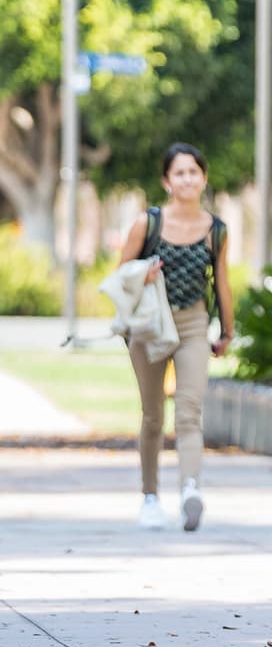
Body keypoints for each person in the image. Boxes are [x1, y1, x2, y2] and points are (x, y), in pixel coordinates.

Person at [117, 143, 232, 532]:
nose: (187, 179)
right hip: (149, 326)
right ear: (167, 182)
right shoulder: (146, 224)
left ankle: (190, 489)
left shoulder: (216, 229)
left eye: (193, 172)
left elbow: (223, 284)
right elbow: (119, 276)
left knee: (189, 411)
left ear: (203, 178)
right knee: (153, 415)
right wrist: (142, 273)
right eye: (179, 173)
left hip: (194, 325)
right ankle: (150, 497)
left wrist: (227, 331)